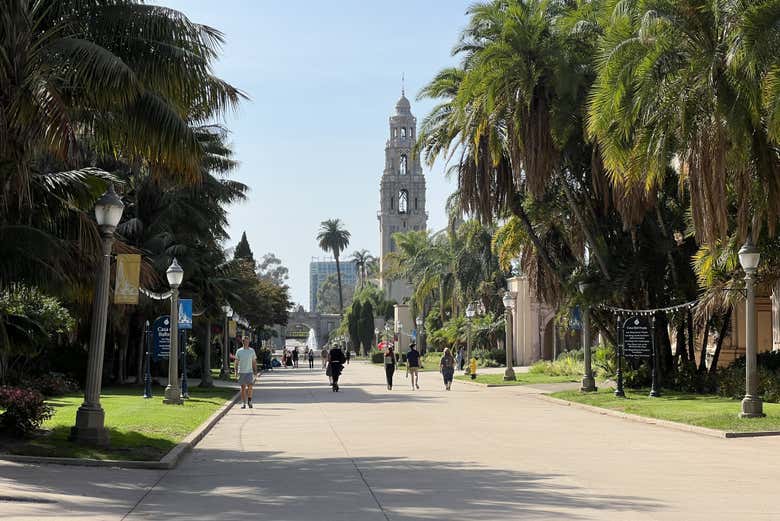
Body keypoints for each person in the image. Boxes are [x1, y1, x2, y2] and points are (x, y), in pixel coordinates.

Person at [235, 337, 257, 409]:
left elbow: (254, 362)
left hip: (249, 372)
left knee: (250, 386)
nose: (247, 343)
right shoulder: (239, 351)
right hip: (241, 372)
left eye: (248, 341)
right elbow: (236, 362)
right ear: (243, 342)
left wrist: (255, 371)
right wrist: (236, 372)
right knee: (243, 388)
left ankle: (249, 401)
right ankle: (243, 403)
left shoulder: (252, 351)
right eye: (245, 341)